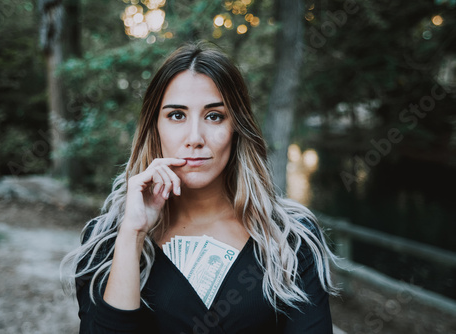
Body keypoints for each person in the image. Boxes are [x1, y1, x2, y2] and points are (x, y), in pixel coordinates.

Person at [61, 42, 338, 334]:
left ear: (237, 127)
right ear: (154, 126)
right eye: (177, 115)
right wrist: (132, 235)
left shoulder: (289, 239)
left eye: (214, 116)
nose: (195, 138)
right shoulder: (106, 241)